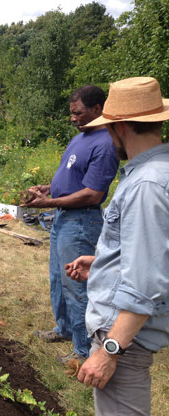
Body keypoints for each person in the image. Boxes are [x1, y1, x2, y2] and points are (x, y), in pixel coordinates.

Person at [64, 77, 169, 416]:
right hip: (129, 333)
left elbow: (146, 282)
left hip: (124, 337)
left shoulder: (146, 185)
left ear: (120, 128)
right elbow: (155, 254)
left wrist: (109, 351)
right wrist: (103, 262)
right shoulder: (159, 172)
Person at [22, 85, 119, 363]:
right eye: (71, 113)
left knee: (76, 286)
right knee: (58, 279)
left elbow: (92, 193)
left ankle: (83, 350)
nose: (73, 118)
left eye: (78, 113)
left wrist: (47, 204)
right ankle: (64, 328)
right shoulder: (82, 137)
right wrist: (48, 189)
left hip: (81, 222)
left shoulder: (105, 143)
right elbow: (71, 177)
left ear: (97, 109)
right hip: (63, 217)